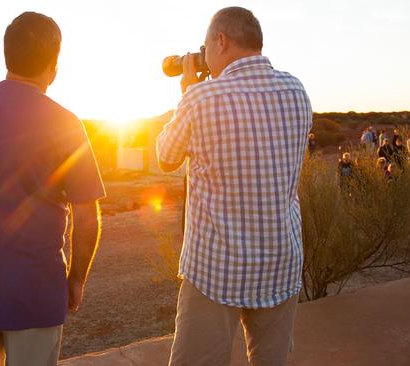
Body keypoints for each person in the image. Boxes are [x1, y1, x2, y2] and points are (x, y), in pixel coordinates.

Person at [0, 12, 105, 366]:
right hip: (34, 292)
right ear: (54, 65)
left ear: (7, 55)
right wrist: (76, 280)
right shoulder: (66, 123)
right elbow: (87, 220)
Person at [156, 7, 312, 365]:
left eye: (206, 47)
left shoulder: (201, 99)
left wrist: (188, 92)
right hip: (280, 260)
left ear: (221, 41)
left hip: (216, 268)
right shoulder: (296, 90)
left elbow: (165, 157)